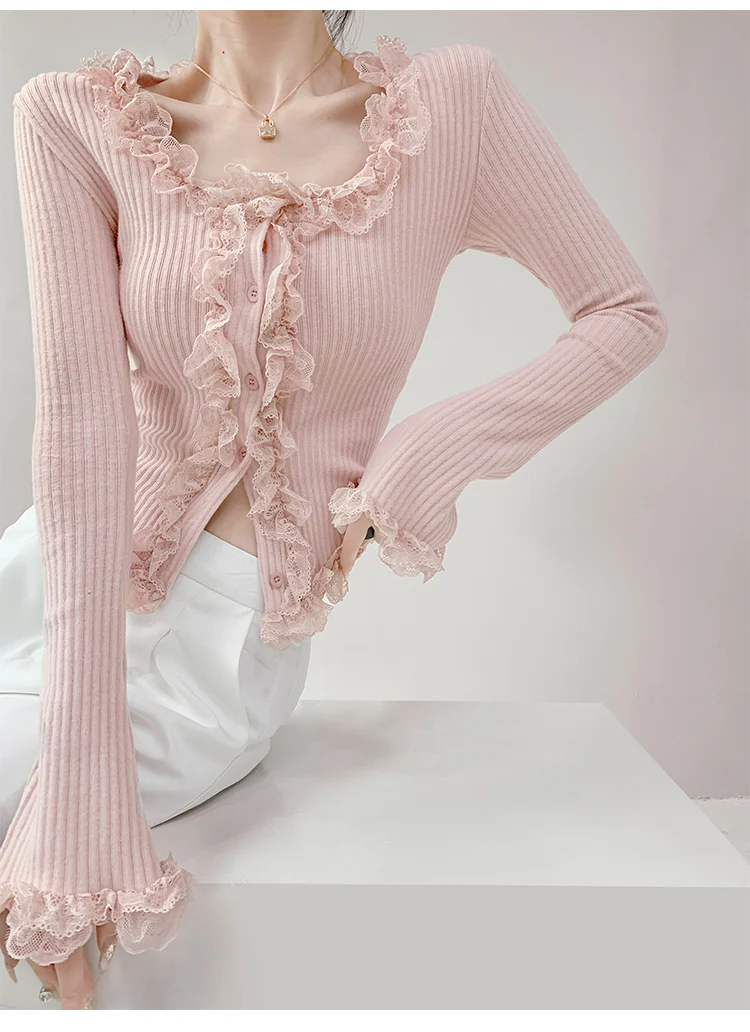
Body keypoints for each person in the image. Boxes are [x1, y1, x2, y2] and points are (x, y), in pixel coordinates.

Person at [0, 8, 668, 1010]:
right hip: (49, 583)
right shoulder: (75, 118)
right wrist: (74, 785)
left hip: (205, 655)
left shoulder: (452, 108)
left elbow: (624, 313)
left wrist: (422, 457)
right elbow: (82, 428)